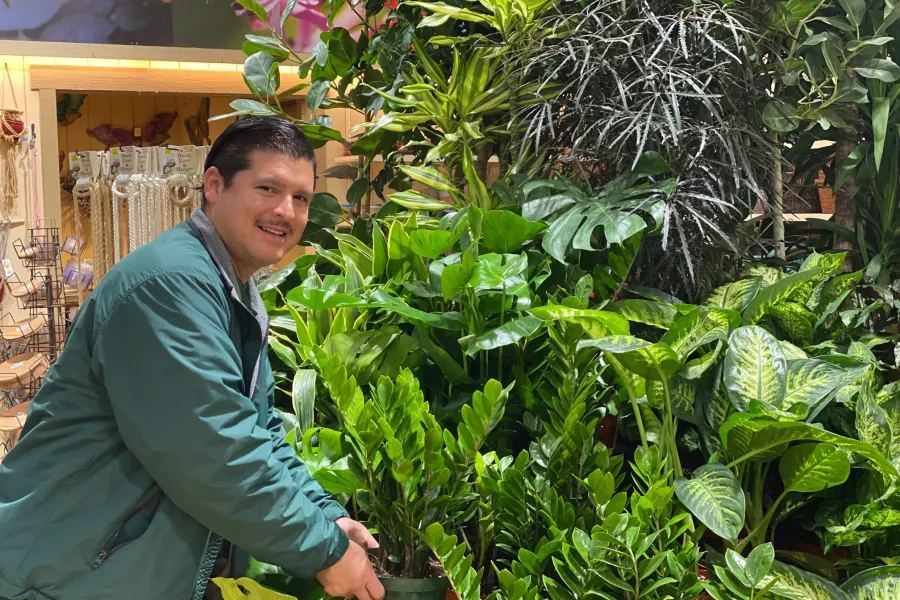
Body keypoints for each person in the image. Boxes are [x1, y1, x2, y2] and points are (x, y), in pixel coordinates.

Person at [0, 116, 386, 600]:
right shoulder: (169, 286)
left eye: (301, 198)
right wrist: (323, 550)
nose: (286, 210)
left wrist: (325, 515)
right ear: (214, 185)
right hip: (64, 575)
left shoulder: (228, 288)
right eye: (268, 188)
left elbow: (256, 429)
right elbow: (214, 450)